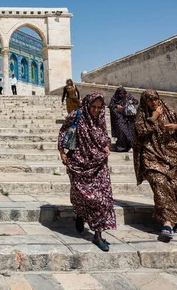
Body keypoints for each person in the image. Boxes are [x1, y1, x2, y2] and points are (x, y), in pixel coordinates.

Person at [58, 93, 116, 251]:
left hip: (98, 163)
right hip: (78, 162)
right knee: (81, 195)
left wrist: (106, 145)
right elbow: (63, 133)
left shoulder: (100, 116)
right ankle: (80, 213)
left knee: (102, 199)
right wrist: (62, 152)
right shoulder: (76, 115)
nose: (96, 110)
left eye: (99, 107)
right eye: (93, 107)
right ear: (87, 104)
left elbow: (104, 134)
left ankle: (98, 234)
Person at [133, 89, 177, 242]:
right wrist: (154, 117)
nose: (154, 102)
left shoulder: (169, 111)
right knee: (159, 184)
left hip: (172, 157)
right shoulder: (142, 115)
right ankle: (168, 223)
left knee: (174, 189)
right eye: (150, 100)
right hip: (151, 157)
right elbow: (141, 131)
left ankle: (171, 219)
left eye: (156, 99)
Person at [108, 86, 139, 152]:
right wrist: (116, 106)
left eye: (123, 93)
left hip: (129, 118)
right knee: (122, 131)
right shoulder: (114, 98)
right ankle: (121, 147)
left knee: (129, 132)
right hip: (120, 117)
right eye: (120, 93)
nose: (122, 95)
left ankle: (130, 146)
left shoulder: (128, 97)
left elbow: (136, 101)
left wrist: (132, 101)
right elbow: (110, 106)